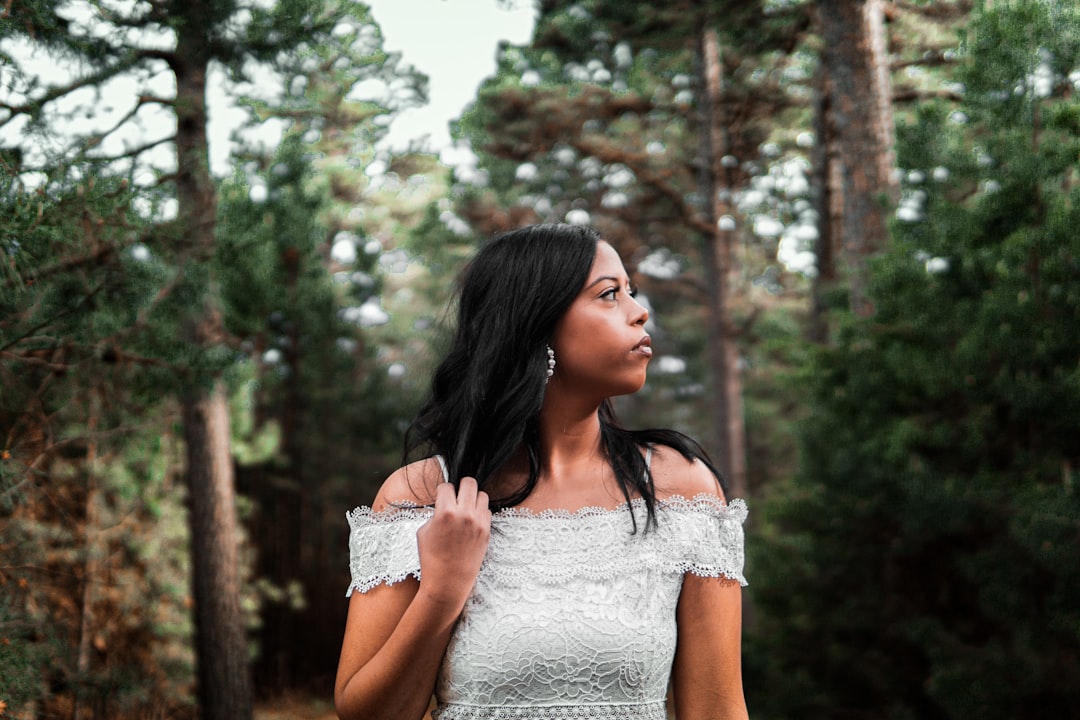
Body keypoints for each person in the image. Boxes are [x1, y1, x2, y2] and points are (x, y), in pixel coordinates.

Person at [335, 224, 749, 720]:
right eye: (609, 294)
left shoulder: (682, 489)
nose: (640, 312)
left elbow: (718, 710)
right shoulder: (420, 498)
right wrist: (442, 590)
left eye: (631, 293)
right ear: (535, 324)